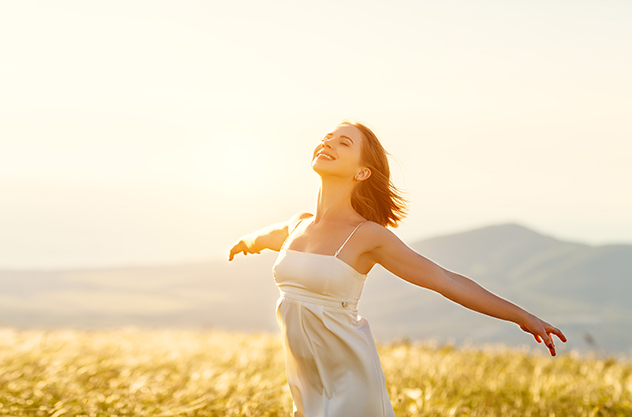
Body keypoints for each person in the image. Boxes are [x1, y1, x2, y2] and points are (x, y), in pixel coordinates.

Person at [228, 120, 567, 417]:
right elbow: (266, 237)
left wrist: (522, 316)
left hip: (349, 376)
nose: (328, 142)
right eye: (328, 137)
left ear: (362, 172)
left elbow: (445, 280)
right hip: (305, 375)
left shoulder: (367, 236)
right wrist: (246, 242)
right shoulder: (297, 225)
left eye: (343, 142)